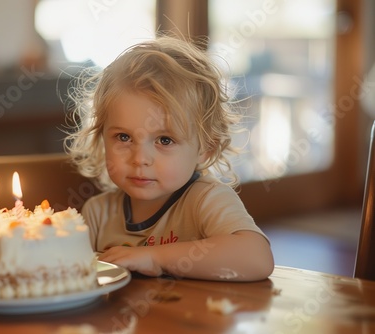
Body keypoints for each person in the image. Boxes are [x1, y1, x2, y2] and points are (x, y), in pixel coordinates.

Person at [64, 35, 274, 282]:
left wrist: (155, 257)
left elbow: (256, 258)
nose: (140, 159)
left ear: (205, 148)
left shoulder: (204, 200)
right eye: (123, 137)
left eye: (164, 140)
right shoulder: (98, 214)